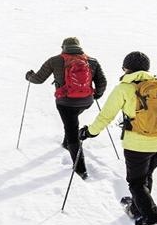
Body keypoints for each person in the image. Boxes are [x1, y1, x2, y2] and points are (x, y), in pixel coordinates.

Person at [79, 51, 157, 225]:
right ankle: (137, 208)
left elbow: (106, 116)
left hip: (138, 144)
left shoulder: (124, 88)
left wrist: (89, 132)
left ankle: (152, 221)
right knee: (145, 176)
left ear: (126, 68)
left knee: (136, 183)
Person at [25, 37, 107, 179]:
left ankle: (80, 169)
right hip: (86, 102)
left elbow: (38, 79)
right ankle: (66, 143)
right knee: (71, 121)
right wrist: (96, 96)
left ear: (63, 47)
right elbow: (102, 82)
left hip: (66, 102)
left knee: (72, 131)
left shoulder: (55, 60)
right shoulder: (92, 61)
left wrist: (29, 76)